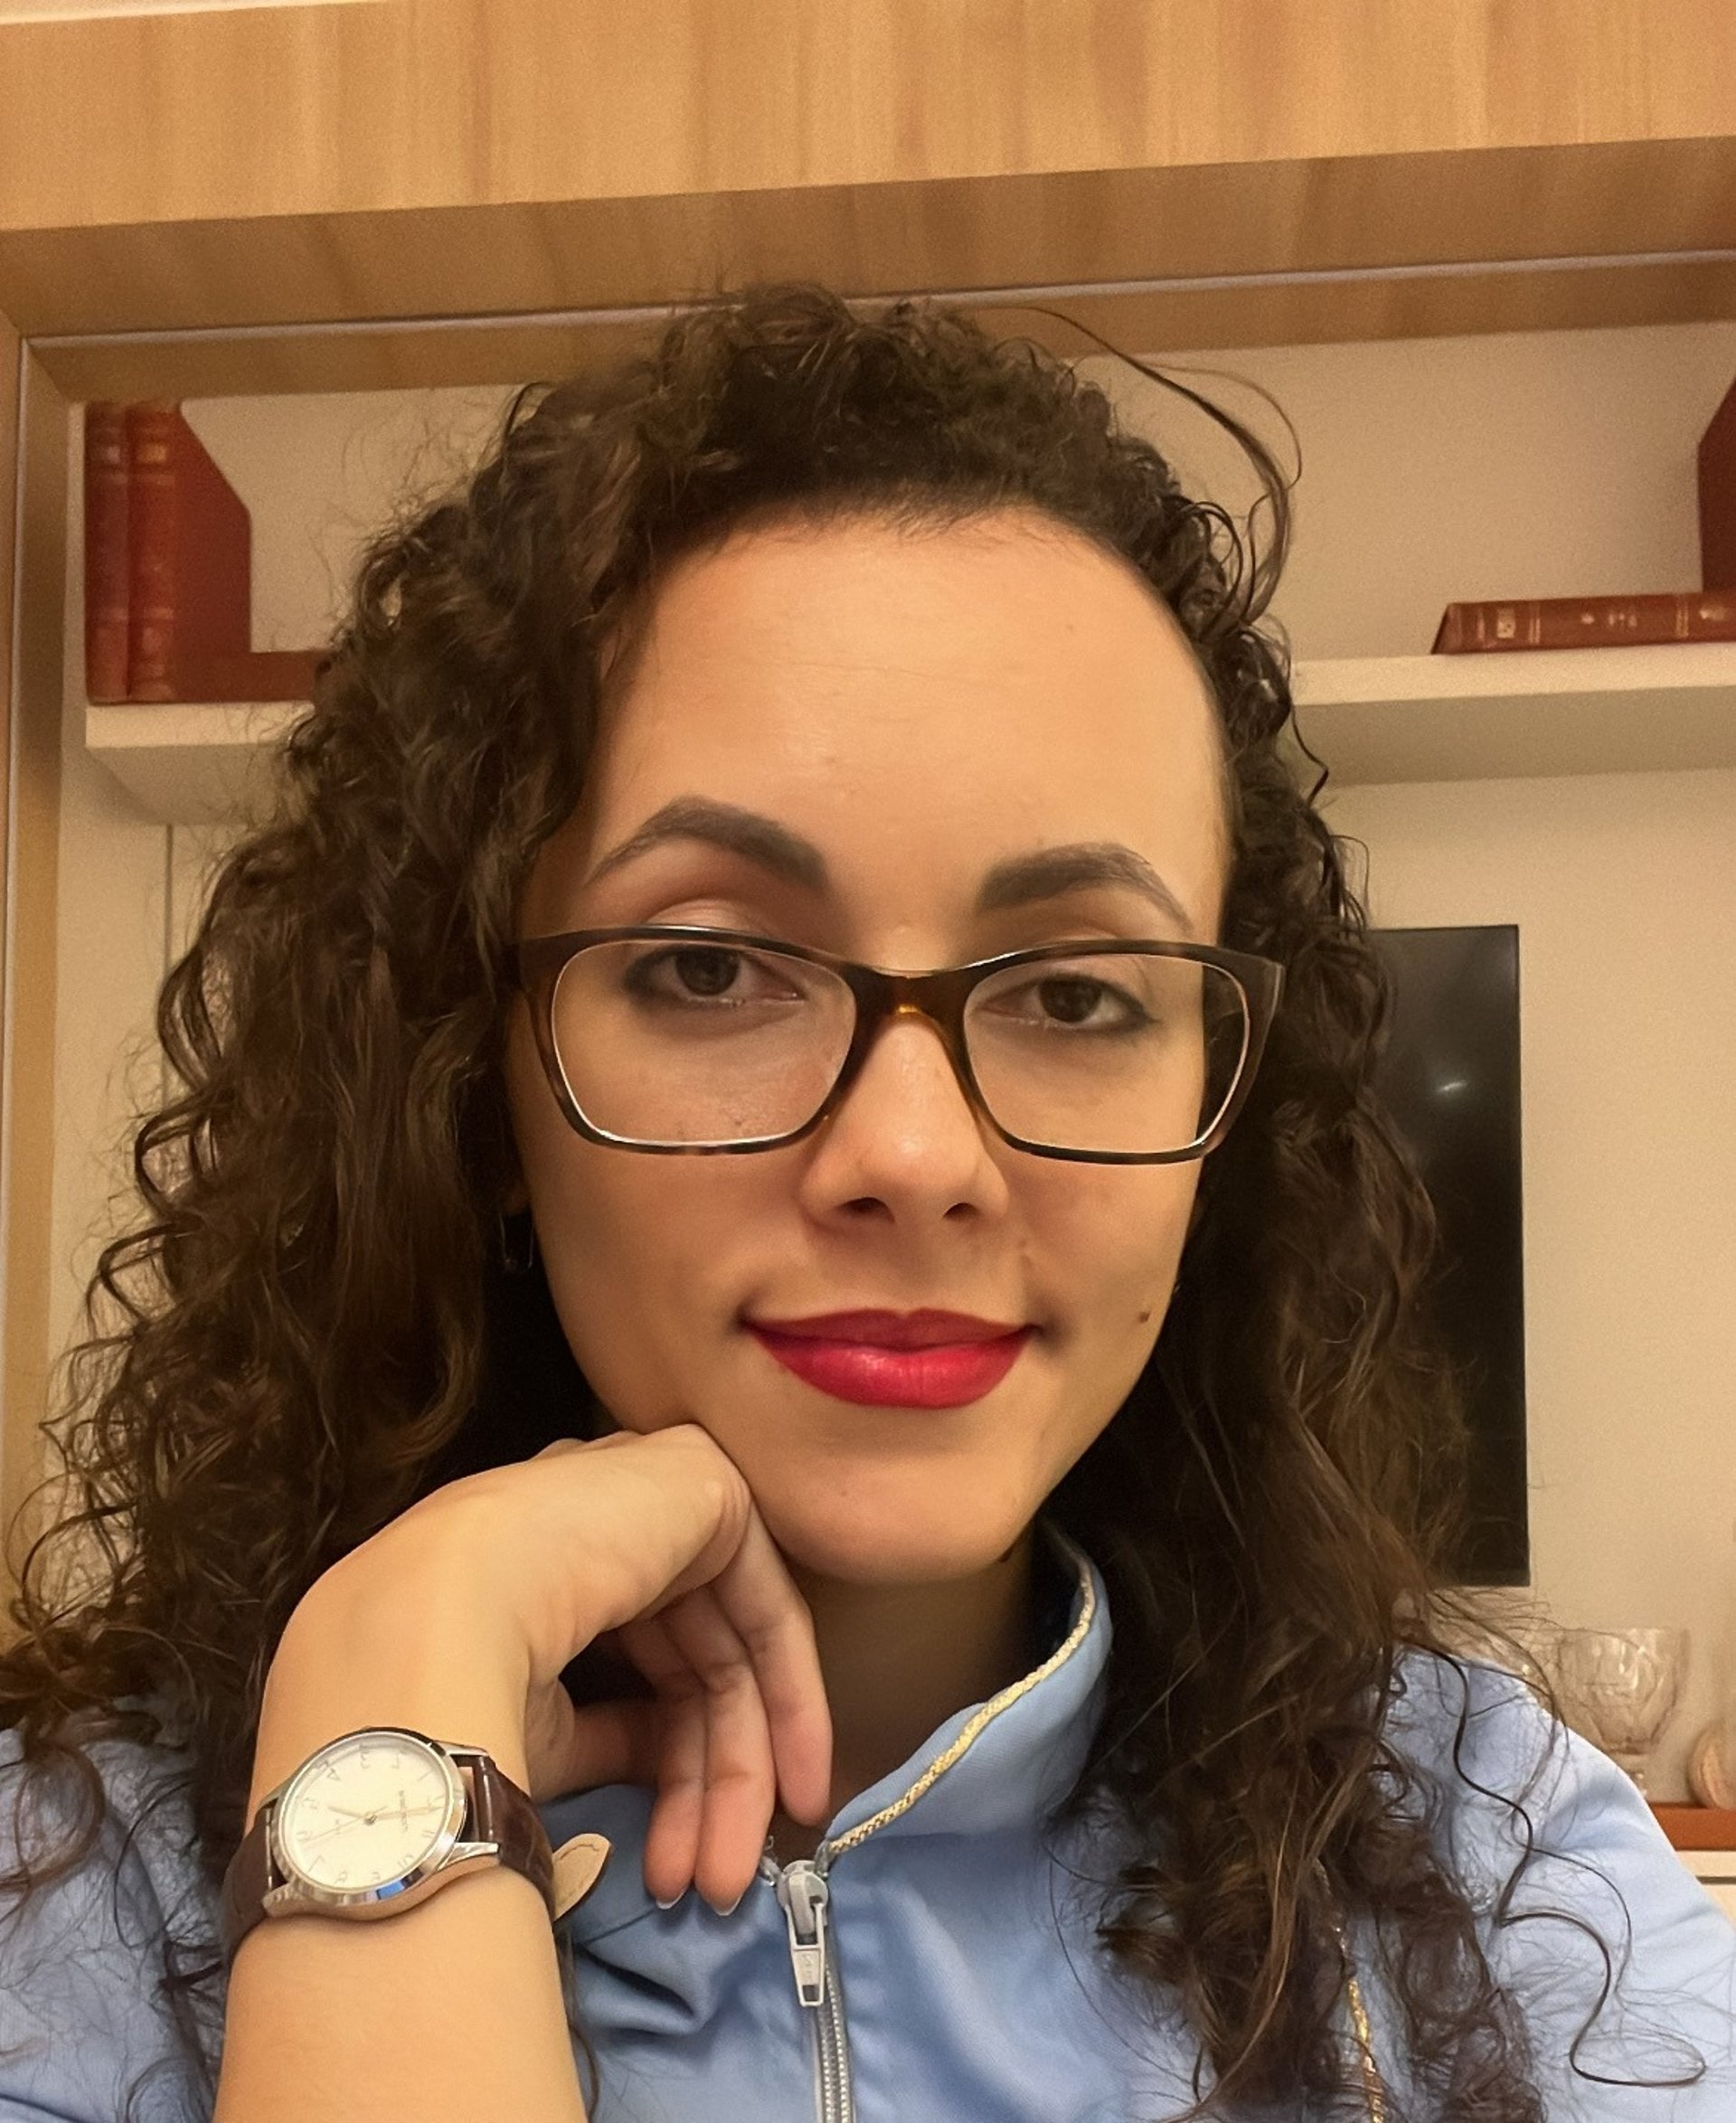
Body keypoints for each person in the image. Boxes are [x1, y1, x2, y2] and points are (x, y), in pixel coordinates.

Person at [0, 280, 1731, 2123]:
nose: (915, 1157)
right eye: (710, 969)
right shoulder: (76, 1890)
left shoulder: (1494, 1856)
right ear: (469, 1072)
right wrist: (382, 1744)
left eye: (1076, 992)